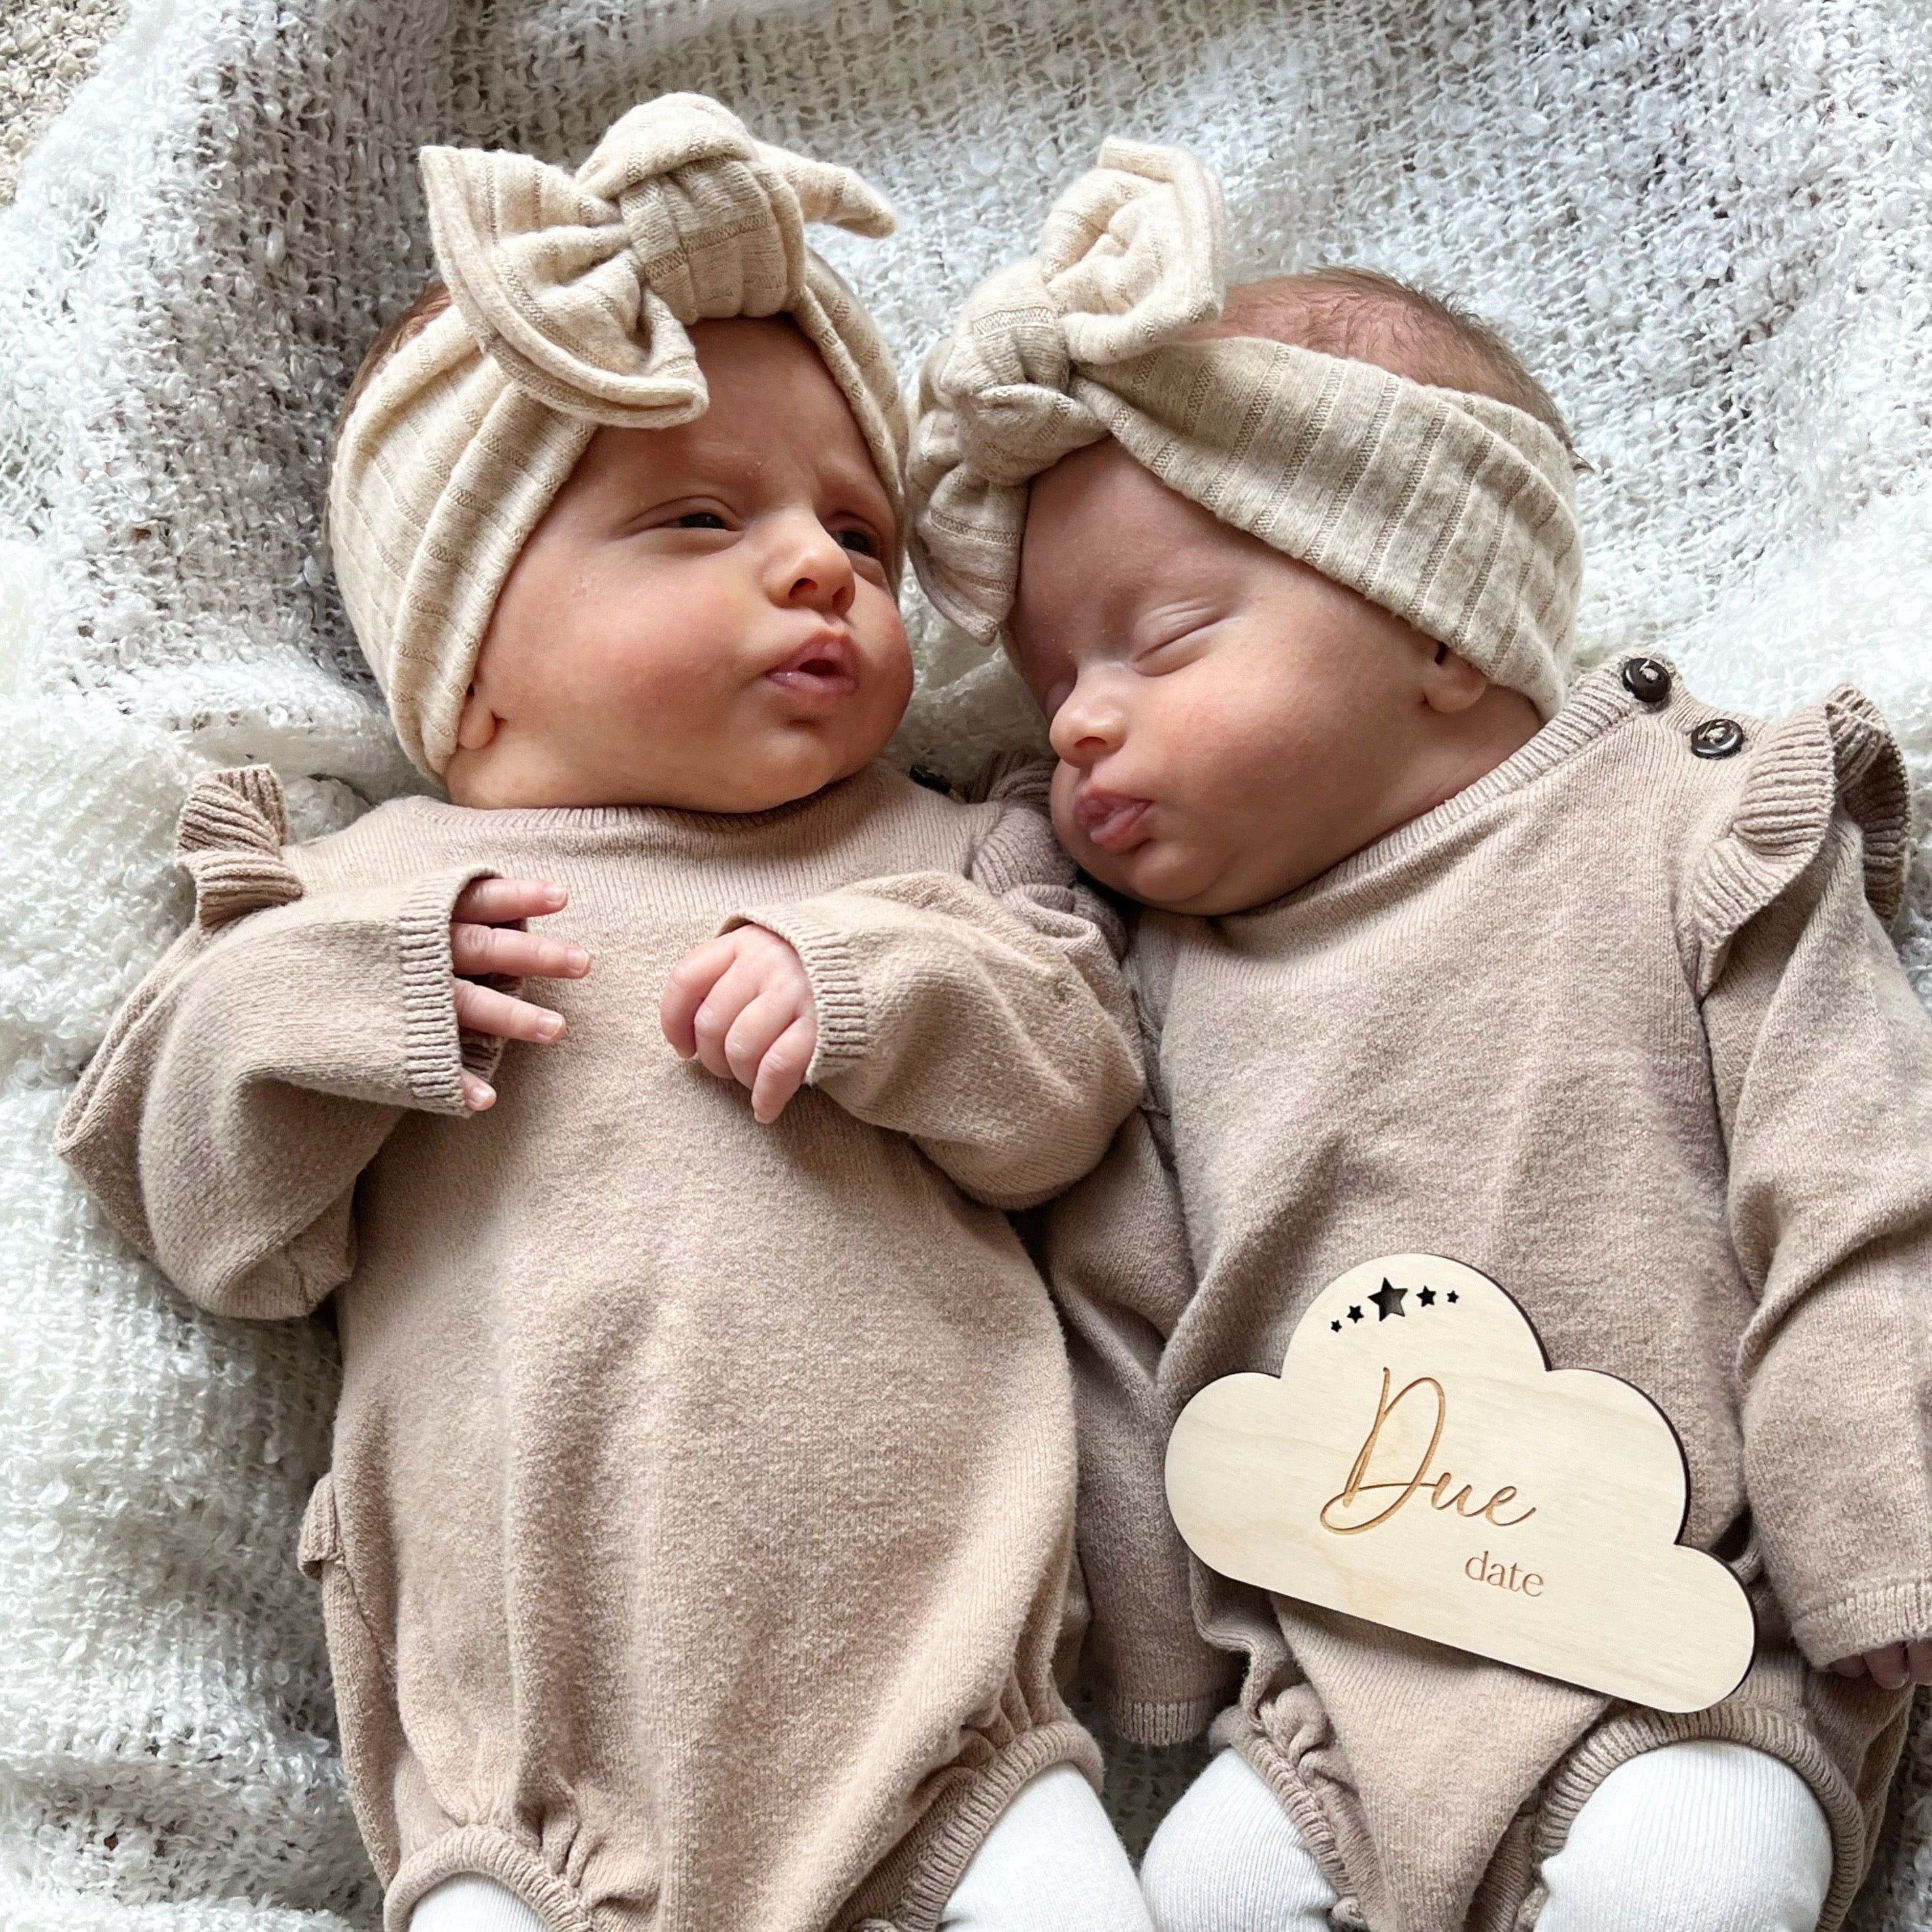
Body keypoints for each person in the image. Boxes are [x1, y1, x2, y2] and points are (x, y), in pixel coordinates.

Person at [56, 95, 1156, 1932]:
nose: (816, 561)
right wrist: (348, 994)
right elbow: (208, 1212)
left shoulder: (949, 854)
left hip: (948, 1735)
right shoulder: (356, 891)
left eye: (858, 533)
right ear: (463, 667)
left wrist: (877, 985)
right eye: (701, 514)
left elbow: (1074, 1090)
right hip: (525, 1787)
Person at [907, 137, 1932, 1932]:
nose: (1077, 723)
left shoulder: (1689, 825)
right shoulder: (1151, 973)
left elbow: (1849, 1173)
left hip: (1693, 1647)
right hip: (1329, 1694)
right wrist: (1147, 1663)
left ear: (1442, 630)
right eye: (1056, 678)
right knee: (1192, 1889)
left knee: (1682, 1880)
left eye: (1163, 637)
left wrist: (1879, 1521)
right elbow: (1118, 1310)